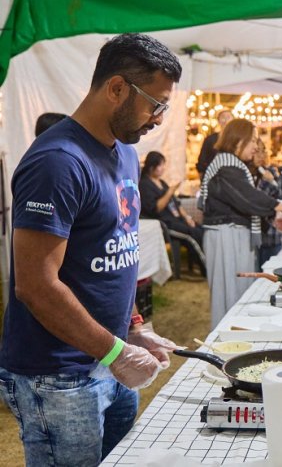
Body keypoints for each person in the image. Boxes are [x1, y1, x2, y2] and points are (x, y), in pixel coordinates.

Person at [0, 33, 182, 465]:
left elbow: (117, 252)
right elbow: (35, 285)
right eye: (155, 104)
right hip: (59, 374)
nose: (158, 119)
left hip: (109, 356)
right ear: (116, 88)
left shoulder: (124, 154)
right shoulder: (57, 162)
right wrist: (116, 352)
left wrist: (134, 324)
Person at [201, 119, 282, 327]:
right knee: (229, 294)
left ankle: (236, 332)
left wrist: (273, 221)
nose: (256, 146)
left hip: (233, 233)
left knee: (237, 291)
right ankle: (226, 338)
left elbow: (244, 203)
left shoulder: (233, 165)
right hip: (226, 236)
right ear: (239, 139)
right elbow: (248, 198)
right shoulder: (226, 165)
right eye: (253, 140)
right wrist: (281, 207)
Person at [140, 151, 205, 269]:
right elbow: (156, 208)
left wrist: (187, 217)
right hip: (165, 223)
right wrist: (170, 192)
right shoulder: (145, 185)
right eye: (160, 165)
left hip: (177, 218)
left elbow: (177, 204)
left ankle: (205, 260)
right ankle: (205, 266)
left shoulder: (162, 182)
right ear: (151, 167)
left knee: (200, 229)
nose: (163, 168)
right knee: (192, 234)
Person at [251, 138, 282, 266]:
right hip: (253, 238)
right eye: (257, 151)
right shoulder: (246, 175)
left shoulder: (269, 172)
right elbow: (256, 201)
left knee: (272, 274)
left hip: (272, 236)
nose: (261, 155)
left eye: (263, 151)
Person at [196, 108, 233, 177]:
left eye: (228, 117)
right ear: (218, 120)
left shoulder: (237, 138)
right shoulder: (210, 139)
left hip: (231, 175)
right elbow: (202, 158)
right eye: (223, 117)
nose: (225, 120)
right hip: (213, 176)